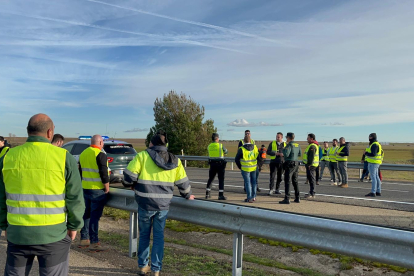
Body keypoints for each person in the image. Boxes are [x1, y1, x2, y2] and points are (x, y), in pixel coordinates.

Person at [0, 113, 85, 276]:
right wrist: (74, 225)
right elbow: (74, 197)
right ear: (49, 133)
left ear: (28, 131)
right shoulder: (64, 157)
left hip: (18, 233)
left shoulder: (7, 156)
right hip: (53, 236)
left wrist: (4, 225)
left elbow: (1, 196)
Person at [123, 131, 194, 276]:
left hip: (145, 203)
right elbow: (183, 184)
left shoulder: (142, 156)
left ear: (151, 143)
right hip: (163, 206)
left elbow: (129, 177)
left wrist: (131, 184)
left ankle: (143, 266)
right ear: (165, 144)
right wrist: (187, 195)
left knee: (144, 235)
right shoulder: (175, 160)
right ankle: (156, 269)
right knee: (158, 236)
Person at [78, 135, 110, 251]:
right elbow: (103, 173)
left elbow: (80, 172)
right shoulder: (100, 154)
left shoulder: (83, 153)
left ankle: (84, 239)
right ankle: (94, 242)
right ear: (100, 142)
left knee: (86, 215)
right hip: (97, 190)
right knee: (94, 217)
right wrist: (107, 187)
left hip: (84, 188)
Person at [279, 132, 302, 204]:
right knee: (295, 180)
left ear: (288, 138)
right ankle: (297, 197)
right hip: (296, 163)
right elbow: (300, 154)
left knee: (287, 181)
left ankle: (287, 198)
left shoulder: (289, 145)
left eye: (286, 137)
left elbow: (286, 154)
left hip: (290, 163)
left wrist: (283, 150)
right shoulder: (297, 145)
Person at [235, 137, 258, 203]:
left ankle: (249, 197)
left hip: (245, 168)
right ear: (250, 141)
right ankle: (254, 196)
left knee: (247, 183)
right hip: (253, 167)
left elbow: (236, 159)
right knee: (254, 182)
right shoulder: (255, 147)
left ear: (244, 141)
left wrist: (240, 166)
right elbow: (258, 156)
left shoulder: (241, 149)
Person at [206, 133, 228, 200]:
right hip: (220, 164)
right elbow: (226, 151)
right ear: (217, 138)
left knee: (211, 179)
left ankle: (207, 193)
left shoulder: (209, 146)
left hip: (212, 164)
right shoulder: (220, 145)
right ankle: (220, 195)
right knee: (221, 180)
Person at [365, 133, 383, 197]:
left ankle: (373, 192)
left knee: (373, 177)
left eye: (369, 137)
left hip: (373, 162)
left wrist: (366, 153)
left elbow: (373, 154)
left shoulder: (374, 144)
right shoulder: (378, 144)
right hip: (376, 162)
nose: (369, 138)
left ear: (372, 137)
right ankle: (378, 191)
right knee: (376, 177)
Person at [303, 134, 319, 198]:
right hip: (312, 164)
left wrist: (309, 164)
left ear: (312, 139)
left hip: (311, 165)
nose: (307, 139)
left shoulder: (312, 146)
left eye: (308, 138)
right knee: (310, 178)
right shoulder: (312, 145)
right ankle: (311, 192)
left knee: (311, 179)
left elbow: (311, 156)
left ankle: (312, 192)